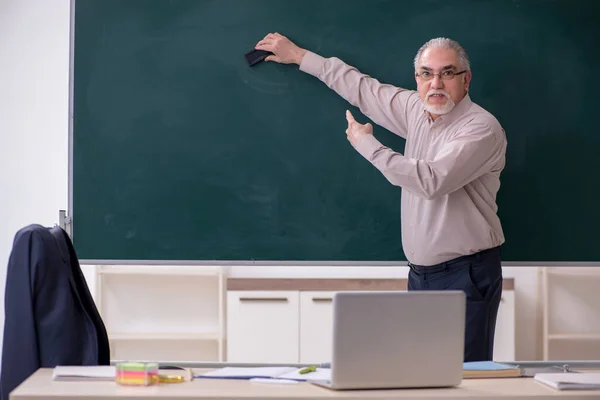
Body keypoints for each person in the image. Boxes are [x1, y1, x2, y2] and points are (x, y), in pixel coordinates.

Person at [255, 33, 507, 362]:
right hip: (421, 275)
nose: (436, 84)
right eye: (426, 74)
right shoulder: (417, 111)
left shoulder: (481, 128)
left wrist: (368, 146)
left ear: (466, 79)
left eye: (447, 73)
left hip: (466, 275)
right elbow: (363, 89)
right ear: (417, 78)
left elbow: (431, 180)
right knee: (423, 375)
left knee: (464, 380)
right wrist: (300, 56)